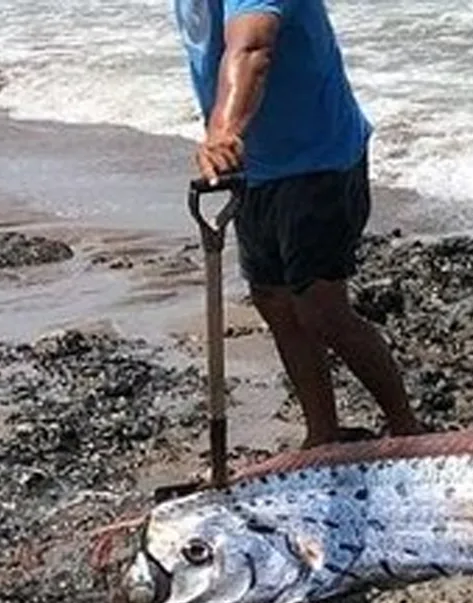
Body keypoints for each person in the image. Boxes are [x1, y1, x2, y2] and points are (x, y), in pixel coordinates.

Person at [174, 0, 423, 447]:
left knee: (321, 310)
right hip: (256, 165)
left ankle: (408, 430)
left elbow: (253, 48)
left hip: (317, 159)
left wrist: (223, 132)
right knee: (275, 302)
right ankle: (323, 433)